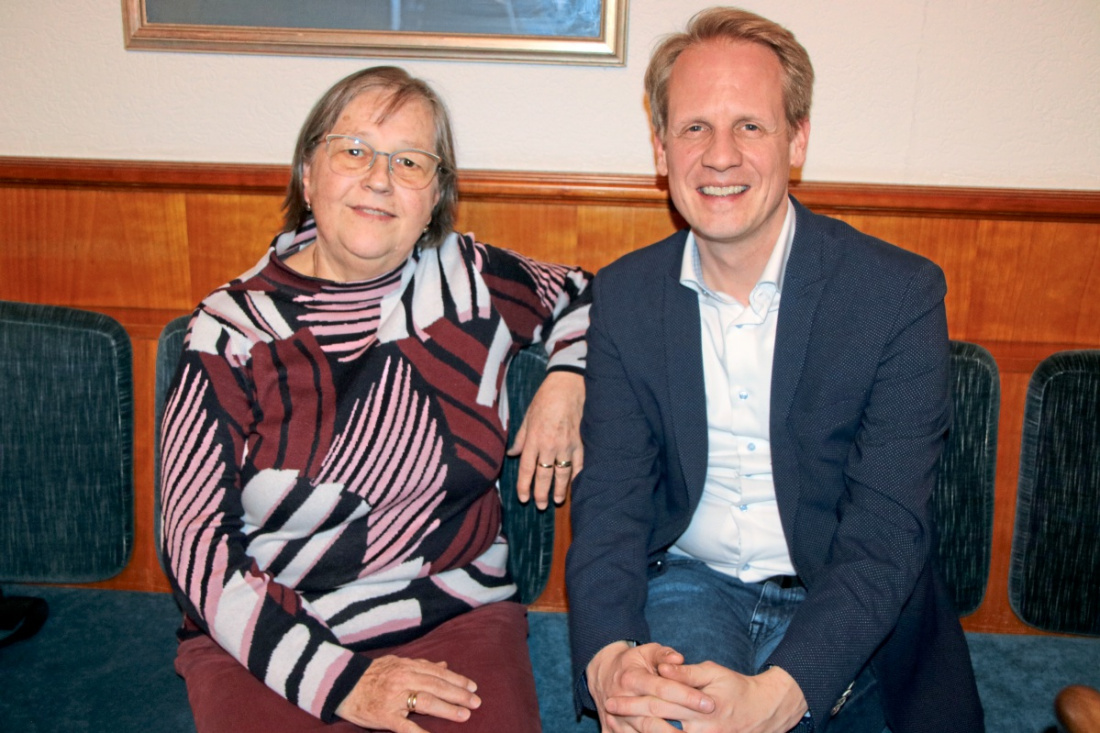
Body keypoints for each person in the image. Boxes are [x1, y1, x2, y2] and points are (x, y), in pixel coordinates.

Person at [565, 7, 983, 733]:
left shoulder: (897, 295)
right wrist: (607, 659)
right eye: (694, 127)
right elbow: (611, 502)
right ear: (661, 148)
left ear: (798, 139)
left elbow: (887, 531)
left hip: (849, 598)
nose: (719, 156)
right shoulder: (627, 296)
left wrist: (781, 694)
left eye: (750, 126)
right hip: (692, 585)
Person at [159, 65, 590, 733]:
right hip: (268, 630)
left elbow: (590, 296)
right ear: (308, 175)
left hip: (453, 613)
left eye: (410, 161)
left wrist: (567, 382)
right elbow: (192, 540)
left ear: (436, 197)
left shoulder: (470, 279)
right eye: (354, 150)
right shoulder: (231, 329)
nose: (380, 178)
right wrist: (342, 681)